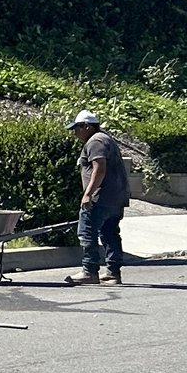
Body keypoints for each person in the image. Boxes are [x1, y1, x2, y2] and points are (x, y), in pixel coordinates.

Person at [67, 109, 130, 285]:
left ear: (87, 126)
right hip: (115, 197)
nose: (75, 133)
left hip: (99, 198)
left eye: (77, 128)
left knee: (87, 232)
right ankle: (113, 273)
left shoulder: (95, 142)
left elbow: (99, 168)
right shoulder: (106, 139)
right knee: (110, 234)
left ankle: (89, 271)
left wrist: (88, 194)